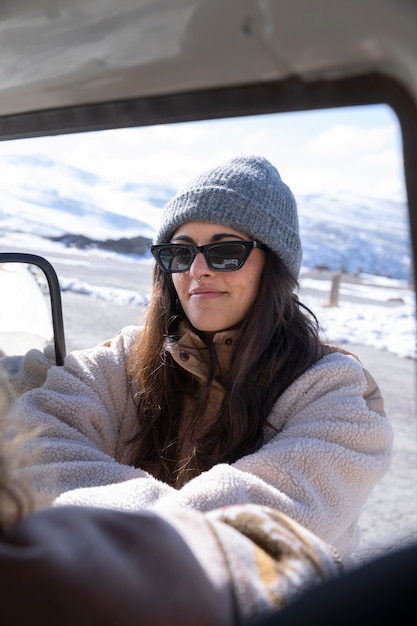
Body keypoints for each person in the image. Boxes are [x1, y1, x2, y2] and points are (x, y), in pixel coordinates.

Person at [8, 155, 392, 571]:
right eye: (180, 252)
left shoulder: (335, 391)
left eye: (225, 252)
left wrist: (105, 520)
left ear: (274, 266)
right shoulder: (130, 358)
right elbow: (39, 436)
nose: (196, 270)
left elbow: (252, 533)